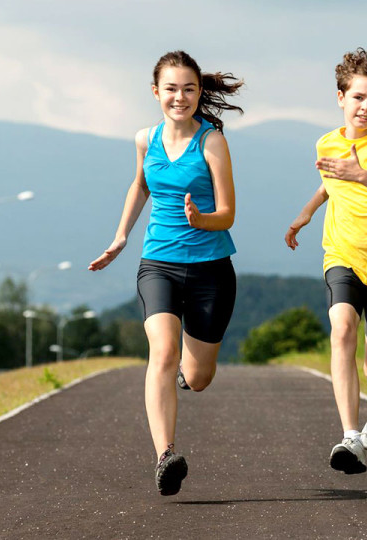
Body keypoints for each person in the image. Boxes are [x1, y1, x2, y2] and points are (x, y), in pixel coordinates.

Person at [89, 50, 241, 496]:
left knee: (198, 377)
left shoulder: (212, 142)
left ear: (199, 92)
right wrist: (121, 237)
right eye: (171, 89)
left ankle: (182, 377)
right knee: (163, 351)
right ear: (156, 92)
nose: (180, 97)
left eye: (189, 89)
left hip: (211, 270)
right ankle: (166, 455)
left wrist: (202, 219)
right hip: (159, 264)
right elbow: (140, 185)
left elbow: (228, 213)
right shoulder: (145, 139)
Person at [285, 48, 367, 474]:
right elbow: (330, 182)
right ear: (340, 97)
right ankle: (350, 437)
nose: (365, 107)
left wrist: (363, 174)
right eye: (358, 97)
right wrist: (306, 213)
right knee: (342, 329)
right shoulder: (327, 142)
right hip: (342, 255)